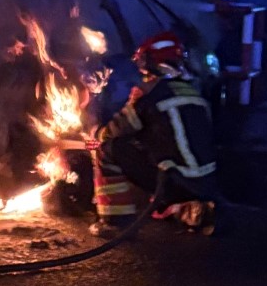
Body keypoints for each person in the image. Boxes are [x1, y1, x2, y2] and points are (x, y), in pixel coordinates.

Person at [88, 31, 223, 237]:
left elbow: (116, 130)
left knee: (108, 149)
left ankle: (115, 221)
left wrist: (96, 135)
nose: (141, 70)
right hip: (207, 182)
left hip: (173, 180)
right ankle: (189, 208)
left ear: (152, 62)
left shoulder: (149, 93)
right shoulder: (193, 92)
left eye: (143, 62)